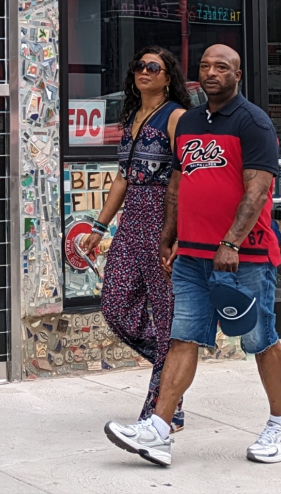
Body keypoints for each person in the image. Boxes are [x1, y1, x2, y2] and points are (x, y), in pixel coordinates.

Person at [104, 44, 281, 467]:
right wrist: (168, 236)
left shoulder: (253, 122)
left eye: (222, 67)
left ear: (238, 74)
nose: (212, 72)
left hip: (244, 255)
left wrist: (230, 242)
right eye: (206, 66)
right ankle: (158, 429)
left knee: (259, 340)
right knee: (182, 338)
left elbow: (258, 189)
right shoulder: (190, 121)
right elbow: (176, 184)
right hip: (191, 255)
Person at [74, 46, 186, 423]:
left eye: (153, 67)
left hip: (163, 222)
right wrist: (100, 226)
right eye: (139, 65)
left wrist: (174, 233)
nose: (144, 72)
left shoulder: (176, 118)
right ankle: (172, 367)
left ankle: (162, 412)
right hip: (131, 223)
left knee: (167, 316)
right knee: (116, 307)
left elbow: (183, 176)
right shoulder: (132, 116)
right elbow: (122, 176)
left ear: (168, 76)